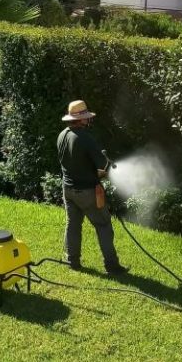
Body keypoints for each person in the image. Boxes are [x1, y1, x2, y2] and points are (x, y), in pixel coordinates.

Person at [57, 99, 126, 276]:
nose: (89, 120)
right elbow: (102, 166)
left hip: (67, 189)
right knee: (103, 225)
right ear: (81, 119)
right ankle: (112, 266)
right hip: (87, 192)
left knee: (73, 225)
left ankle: (72, 261)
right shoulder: (85, 138)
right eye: (87, 117)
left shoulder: (62, 135)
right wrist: (106, 170)